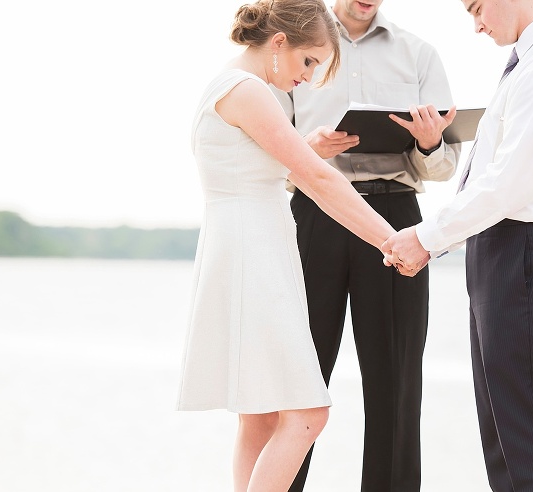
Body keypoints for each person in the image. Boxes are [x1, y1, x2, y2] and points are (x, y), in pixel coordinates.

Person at [383, 1, 533, 490]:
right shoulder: (532, 63)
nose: (477, 25)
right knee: (503, 432)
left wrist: (427, 238)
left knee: (526, 426)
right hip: (502, 246)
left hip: (524, 247)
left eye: (477, 7)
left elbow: (510, 183)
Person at [175, 2, 399, 491]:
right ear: (279, 43)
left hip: (247, 247)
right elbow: (316, 178)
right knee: (307, 415)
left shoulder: (235, 86)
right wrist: (391, 239)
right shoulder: (248, 90)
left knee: (259, 416)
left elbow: (259, 164)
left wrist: (305, 148)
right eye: (308, 62)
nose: (309, 77)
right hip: (251, 254)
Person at [277, 1, 461, 490]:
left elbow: (445, 166)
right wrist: (307, 149)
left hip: (395, 219)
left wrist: (427, 144)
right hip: (316, 214)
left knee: (396, 381)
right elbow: (267, 147)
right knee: (300, 377)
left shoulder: (419, 54)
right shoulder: (299, 48)